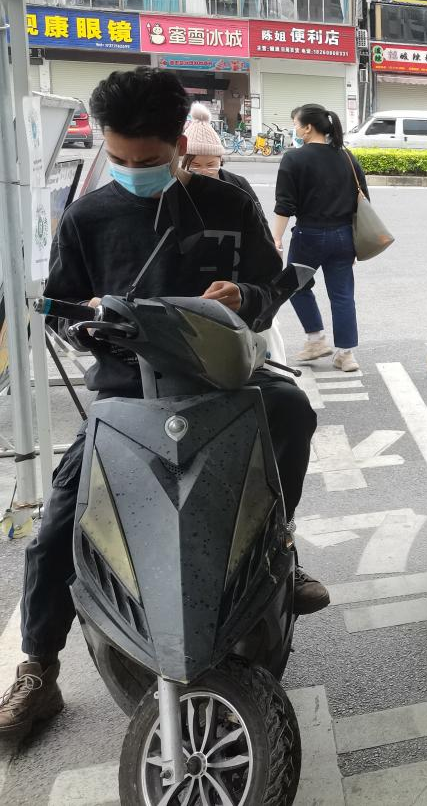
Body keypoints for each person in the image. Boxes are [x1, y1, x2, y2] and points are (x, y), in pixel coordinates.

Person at [0, 69, 327, 741]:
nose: (131, 171)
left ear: (179, 144)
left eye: (146, 160)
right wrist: (86, 319)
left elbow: (271, 287)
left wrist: (244, 296)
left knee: (293, 409)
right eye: (117, 157)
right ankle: (38, 668)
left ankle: (279, 547)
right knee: (61, 521)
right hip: (127, 394)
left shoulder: (227, 203)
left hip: (223, 381)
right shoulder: (88, 217)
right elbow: (60, 308)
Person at [272, 103, 368, 374]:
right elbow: (362, 200)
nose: (294, 129)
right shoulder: (346, 157)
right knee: (343, 295)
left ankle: (316, 339)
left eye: (296, 124)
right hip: (344, 237)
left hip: (309, 236)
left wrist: (276, 238)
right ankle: (346, 355)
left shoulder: (294, 158)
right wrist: (355, 244)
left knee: (293, 285)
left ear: (308, 128)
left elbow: (284, 205)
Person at [181, 102, 262, 214]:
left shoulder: (239, 185)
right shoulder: (176, 189)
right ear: (184, 163)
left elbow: (259, 220)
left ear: (220, 160)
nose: (204, 171)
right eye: (196, 165)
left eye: (210, 165)